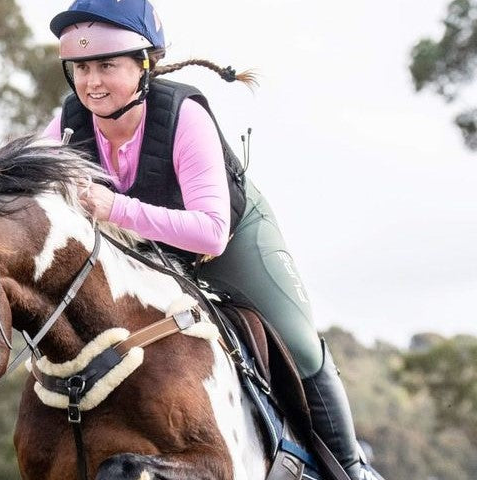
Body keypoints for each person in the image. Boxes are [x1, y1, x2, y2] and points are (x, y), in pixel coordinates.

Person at [43, 1, 384, 479]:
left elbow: (210, 231)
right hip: (149, 253)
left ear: (145, 66)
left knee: (300, 345)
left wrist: (113, 207)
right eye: (80, 68)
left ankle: (351, 468)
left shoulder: (184, 116)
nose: (92, 82)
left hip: (228, 240)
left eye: (106, 65)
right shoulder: (67, 126)